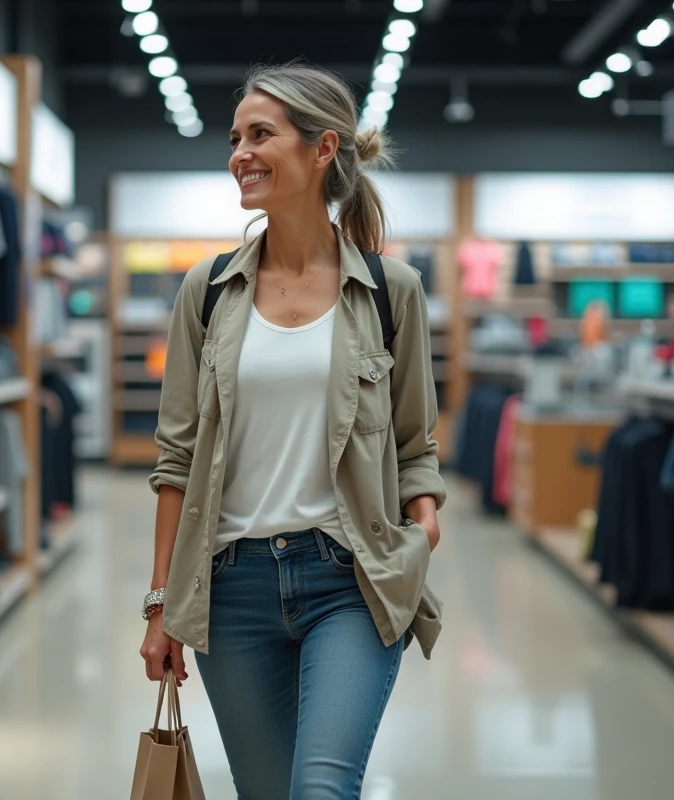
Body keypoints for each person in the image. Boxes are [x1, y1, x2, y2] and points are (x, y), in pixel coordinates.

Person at [139, 63, 447, 799]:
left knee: (321, 788)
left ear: (321, 149)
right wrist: (162, 605)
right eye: (236, 136)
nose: (239, 152)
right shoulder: (209, 290)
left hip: (351, 578)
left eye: (260, 134)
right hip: (231, 585)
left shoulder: (388, 290)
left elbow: (416, 443)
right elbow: (175, 457)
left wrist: (421, 531)